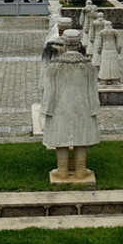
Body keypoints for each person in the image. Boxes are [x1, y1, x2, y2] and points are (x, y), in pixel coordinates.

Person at [42, 28, 100, 184]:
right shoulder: (88, 66)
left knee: (61, 139)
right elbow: (93, 90)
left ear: (65, 44)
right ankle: (80, 171)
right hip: (82, 107)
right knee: (81, 138)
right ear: (79, 43)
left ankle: (62, 171)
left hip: (60, 108)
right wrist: (94, 108)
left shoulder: (54, 66)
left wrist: (46, 109)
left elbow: (49, 91)